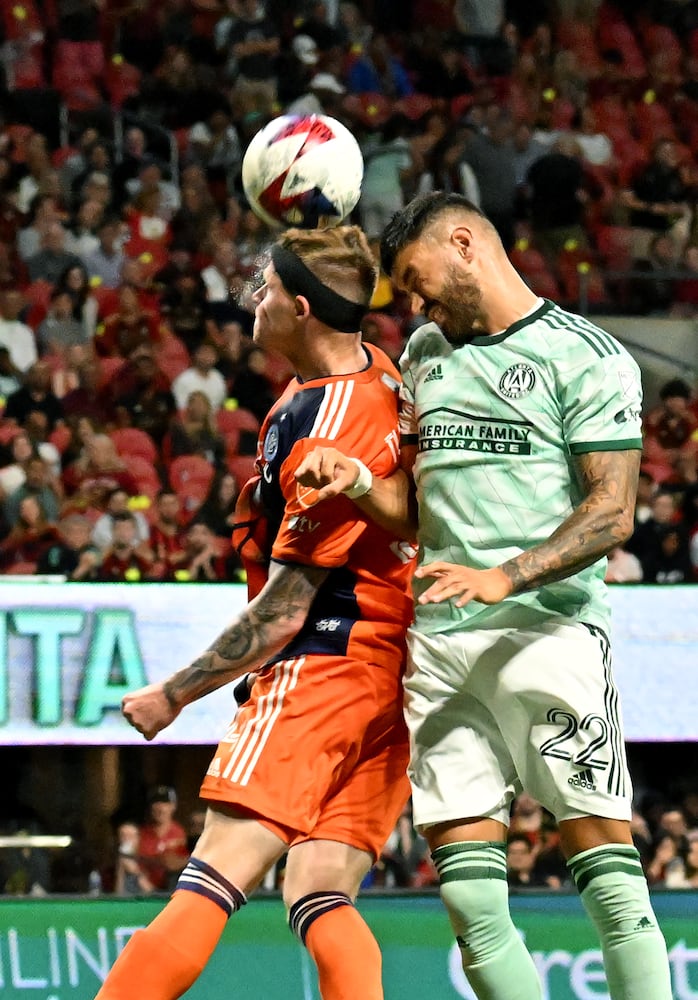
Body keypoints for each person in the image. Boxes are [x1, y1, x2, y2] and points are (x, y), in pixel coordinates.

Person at [296, 192, 673, 999]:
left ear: (464, 243)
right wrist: (361, 479)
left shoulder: (589, 355)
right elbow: (418, 510)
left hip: (548, 636)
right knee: (469, 899)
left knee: (607, 880)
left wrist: (505, 575)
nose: (416, 304)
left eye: (417, 280)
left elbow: (611, 513)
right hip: (441, 645)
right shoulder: (427, 353)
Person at [93, 225, 414, 1000]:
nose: (253, 302)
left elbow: (284, 609)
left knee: (212, 877)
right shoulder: (374, 372)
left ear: (302, 308)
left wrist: (173, 692)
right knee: (318, 888)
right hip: (388, 680)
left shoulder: (326, 431)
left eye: (265, 290)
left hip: (323, 668)